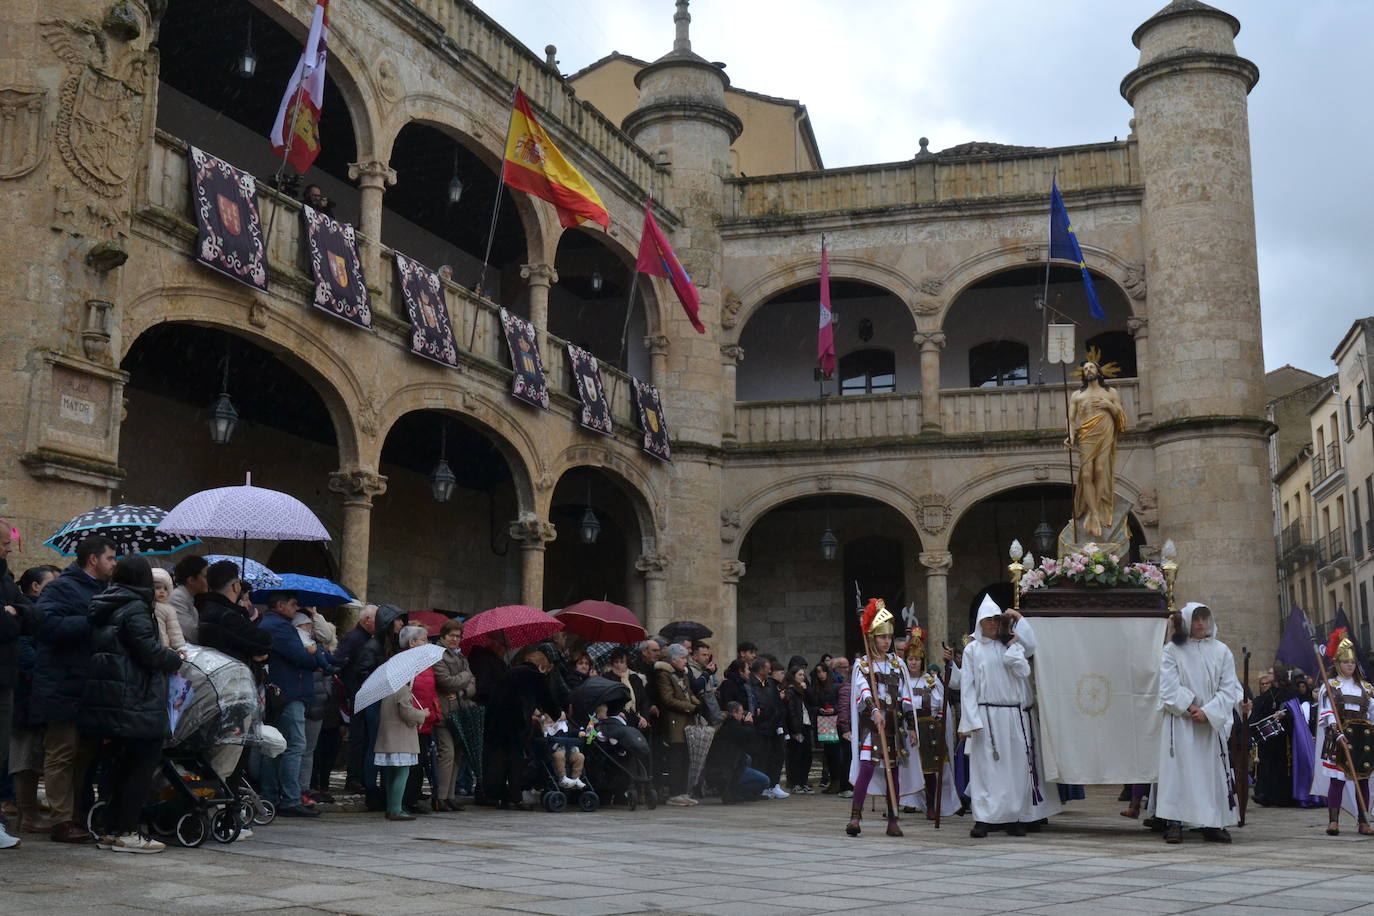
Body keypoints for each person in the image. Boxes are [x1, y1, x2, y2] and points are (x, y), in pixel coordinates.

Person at [79, 555, 184, 853]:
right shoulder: (136, 606)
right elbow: (148, 651)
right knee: (140, 766)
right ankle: (126, 830)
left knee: (117, 767)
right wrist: (174, 658)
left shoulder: (106, 603)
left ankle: (112, 828)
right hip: (136, 699)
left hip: (111, 699)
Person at [34, 533, 117, 843]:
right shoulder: (61, 588)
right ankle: (61, 820)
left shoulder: (107, 589)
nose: (114, 563)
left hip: (91, 685)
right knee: (61, 753)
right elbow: (47, 627)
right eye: (110, 557)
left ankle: (79, 813)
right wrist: (91, 620)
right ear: (93, 559)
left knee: (85, 755)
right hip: (62, 684)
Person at [959, 595, 1060, 838]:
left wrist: (1012, 648)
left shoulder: (1012, 646)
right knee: (986, 771)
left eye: (996, 621)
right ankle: (984, 818)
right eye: (987, 621)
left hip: (1013, 716)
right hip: (987, 717)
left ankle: (1014, 817)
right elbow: (968, 687)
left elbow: (1024, 668)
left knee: (1014, 770)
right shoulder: (972, 650)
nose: (992, 625)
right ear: (979, 623)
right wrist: (971, 720)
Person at [1156, 602, 1242, 844]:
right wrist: (1190, 707)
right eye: (1196, 619)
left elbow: (1228, 688)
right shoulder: (1172, 650)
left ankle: (1211, 822)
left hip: (1208, 726)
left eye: (1205, 618)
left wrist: (1209, 712)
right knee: (1178, 772)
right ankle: (1174, 822)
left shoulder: (1222, 651)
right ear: (1187, 621)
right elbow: (1167, 686)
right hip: (1182, 723)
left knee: (1209, 774)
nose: (1201, 623)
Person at [846, 600, 922, 837]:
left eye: (889, 637)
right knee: (867, 767)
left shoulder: (897, 664)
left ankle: (893, 820)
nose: (887, 641)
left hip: (893, 725)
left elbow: (905, 696)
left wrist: (910, 726)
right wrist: (874, 710)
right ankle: (855, 818)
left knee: (894, 771)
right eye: (882, 637)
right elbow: (863, 690)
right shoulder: (863, 665)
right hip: (872, 724)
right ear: (872, 639)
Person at [259, 592, 332, 818]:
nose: (296, 607)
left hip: (280, 692)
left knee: (276, 745)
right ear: (280, 605)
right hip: (289, 692)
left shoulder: (271, 623)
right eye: (292, 604)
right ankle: (290, 799)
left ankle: (270, 796)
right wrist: (314, 654)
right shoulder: (280, 627)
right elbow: (302, 657)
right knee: (295, 744)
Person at [8, 566, 57, 838]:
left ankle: (29, 812)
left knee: (32, 755)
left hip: (34, 694)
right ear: (36, 587)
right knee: (25, 757)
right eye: (51, 583)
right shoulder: (28, 612)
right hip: (27, 695)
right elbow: (27, 655)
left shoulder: (36, 610)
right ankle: (28, 815)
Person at [1311, 633, 1374, 836]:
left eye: (1353, 662)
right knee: (1337, 780)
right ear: (1338, 664)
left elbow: (1372, 714)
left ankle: (1363, 821)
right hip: (1339, 738)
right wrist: (1337, 734)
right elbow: (1327, 713)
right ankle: (1333, 822)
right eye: (1346, 662)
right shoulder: (1330, 687)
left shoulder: (1366, 688)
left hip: (1362, 740)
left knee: (1362, 779)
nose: (1350, 666)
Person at [1064, 359, 1127, 538]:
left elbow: (1120, 415)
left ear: (1099, 371)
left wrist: (1109, 406)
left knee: (1100, 470)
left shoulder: (1110, 392)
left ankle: (1095, 513)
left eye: (1091, 367)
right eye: (1085, 368)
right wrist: (1071, 435)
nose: (1088, 370)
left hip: (1105, 431)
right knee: (1086, 474)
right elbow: (1070, 418)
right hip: (1085, 434)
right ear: (1083, 374)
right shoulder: (1077, 395)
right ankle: (1093, 511)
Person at [0, 523, 32, 849]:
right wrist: (12, 618)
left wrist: (15, 612)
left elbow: (30, 613)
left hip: (5, 675)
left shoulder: (7, 578)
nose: (10, 548)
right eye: (5, 543)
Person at [295, 608, 338, 807]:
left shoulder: (316, 643)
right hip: (303, 698)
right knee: (298, 748)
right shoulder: (296, 642)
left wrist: (316, 615)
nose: (310, 629)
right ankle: (296, 790)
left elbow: (327, 635)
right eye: (307, 626)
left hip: (318, 700)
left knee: (309, 749)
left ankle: (304, 788)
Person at [432, 619, 474, 811]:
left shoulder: (461, 656)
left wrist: (462, 691)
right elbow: (445, 681)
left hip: (460, 710)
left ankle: (450, 796)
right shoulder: (438, 655)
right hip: (444, 712)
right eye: (451, 636)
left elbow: (474, 683)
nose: (455, 639)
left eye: (458, 636)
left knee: (457, 754)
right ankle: (440, 797)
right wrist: (465, 677)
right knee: (447, 753)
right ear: (443, 636)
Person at [373, 674, 427, 821]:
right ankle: (396, 809)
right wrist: (422, 714)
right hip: (400, 738)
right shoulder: (403, 690)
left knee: (392, 774)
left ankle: (391, 808)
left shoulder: (388, 690)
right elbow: (407, 713)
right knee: (402, 773)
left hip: (388, 737)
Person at [335, 603, 377, 792]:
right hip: (356, 694)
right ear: (366, 619)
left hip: (362, 694)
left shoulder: (366, 637)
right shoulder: (354, 638)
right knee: (358, 738)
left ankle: (359, 777)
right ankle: (353, 778)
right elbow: (340, 664)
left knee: (364, 737)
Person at [655, 643, 701, 806]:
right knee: (676, 758)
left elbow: (688, 694)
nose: (685, 661)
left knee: (685, 758)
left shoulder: (683, 674)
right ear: (673, 660)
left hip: (687, 721)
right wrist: (691, 708)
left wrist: (699, 703)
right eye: (682, 658)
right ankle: (674, 793)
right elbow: (668, 699)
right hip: (675, 722)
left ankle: (682, 791)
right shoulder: (664, 675)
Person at [704, 701, 768, 803]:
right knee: (765, 781)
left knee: (747, 758)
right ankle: (735, 790)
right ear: (734, 713)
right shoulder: (733, 725)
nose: (743, 715)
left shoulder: (726, 723)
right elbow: (748, 736)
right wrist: (748, 723)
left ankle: (736, 790)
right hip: (728, 769)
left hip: (721, 767)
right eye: (741, 712)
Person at [1250, 668, 1296, 807]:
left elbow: (1295, 713)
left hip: (1283, 738)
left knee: (1281, 766)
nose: (1267, 675)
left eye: (1270, 673)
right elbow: (1257, 711)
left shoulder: (1289, 693)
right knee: (1266, 766)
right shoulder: (1267, 694)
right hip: (1268, 738)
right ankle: (1266, 795)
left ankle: (1283, 797)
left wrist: (1285, 715)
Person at [749, 656, 787, 799]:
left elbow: (776, 703)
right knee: (761, 757)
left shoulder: (770, 684)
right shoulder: (752, 684)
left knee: (776, 755)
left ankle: (773, 784)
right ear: (760, 669)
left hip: (773, 725)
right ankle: (762, 786)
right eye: (767, 668)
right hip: (760, 727)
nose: (770, 670)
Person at [783, 665, 814, 794]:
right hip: (797, 728)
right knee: (797, 755)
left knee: (807, 755)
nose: (803, 677)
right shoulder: (790, 691)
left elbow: (813, 702)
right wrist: (795, 729)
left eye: (803, 675)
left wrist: (806, 691)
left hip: (806, 725)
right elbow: (791, 711)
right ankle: (796, 782)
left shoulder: (803, 690)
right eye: (800, 675)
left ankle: (803, 782)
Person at [168, 555, 208, 645]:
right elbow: (194, 635)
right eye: (205, 577)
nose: (208, 580)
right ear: (191, 580)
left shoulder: (188, 598)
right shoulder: (177, 599)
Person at [686, 641, 722, 726]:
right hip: (701, 717)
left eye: (707, 655)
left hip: (711, 716)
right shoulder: (692, 670)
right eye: (704, 655)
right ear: (694, 656)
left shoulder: (703, 669)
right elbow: (697, 689)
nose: (707, 658)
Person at [149, 568, 185, 650]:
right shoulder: (146, 605)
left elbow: (174, 631)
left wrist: (179, 646)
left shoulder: (169, 609)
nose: (162, 591)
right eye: (157, 588)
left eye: (165, 589)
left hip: (165, 647)